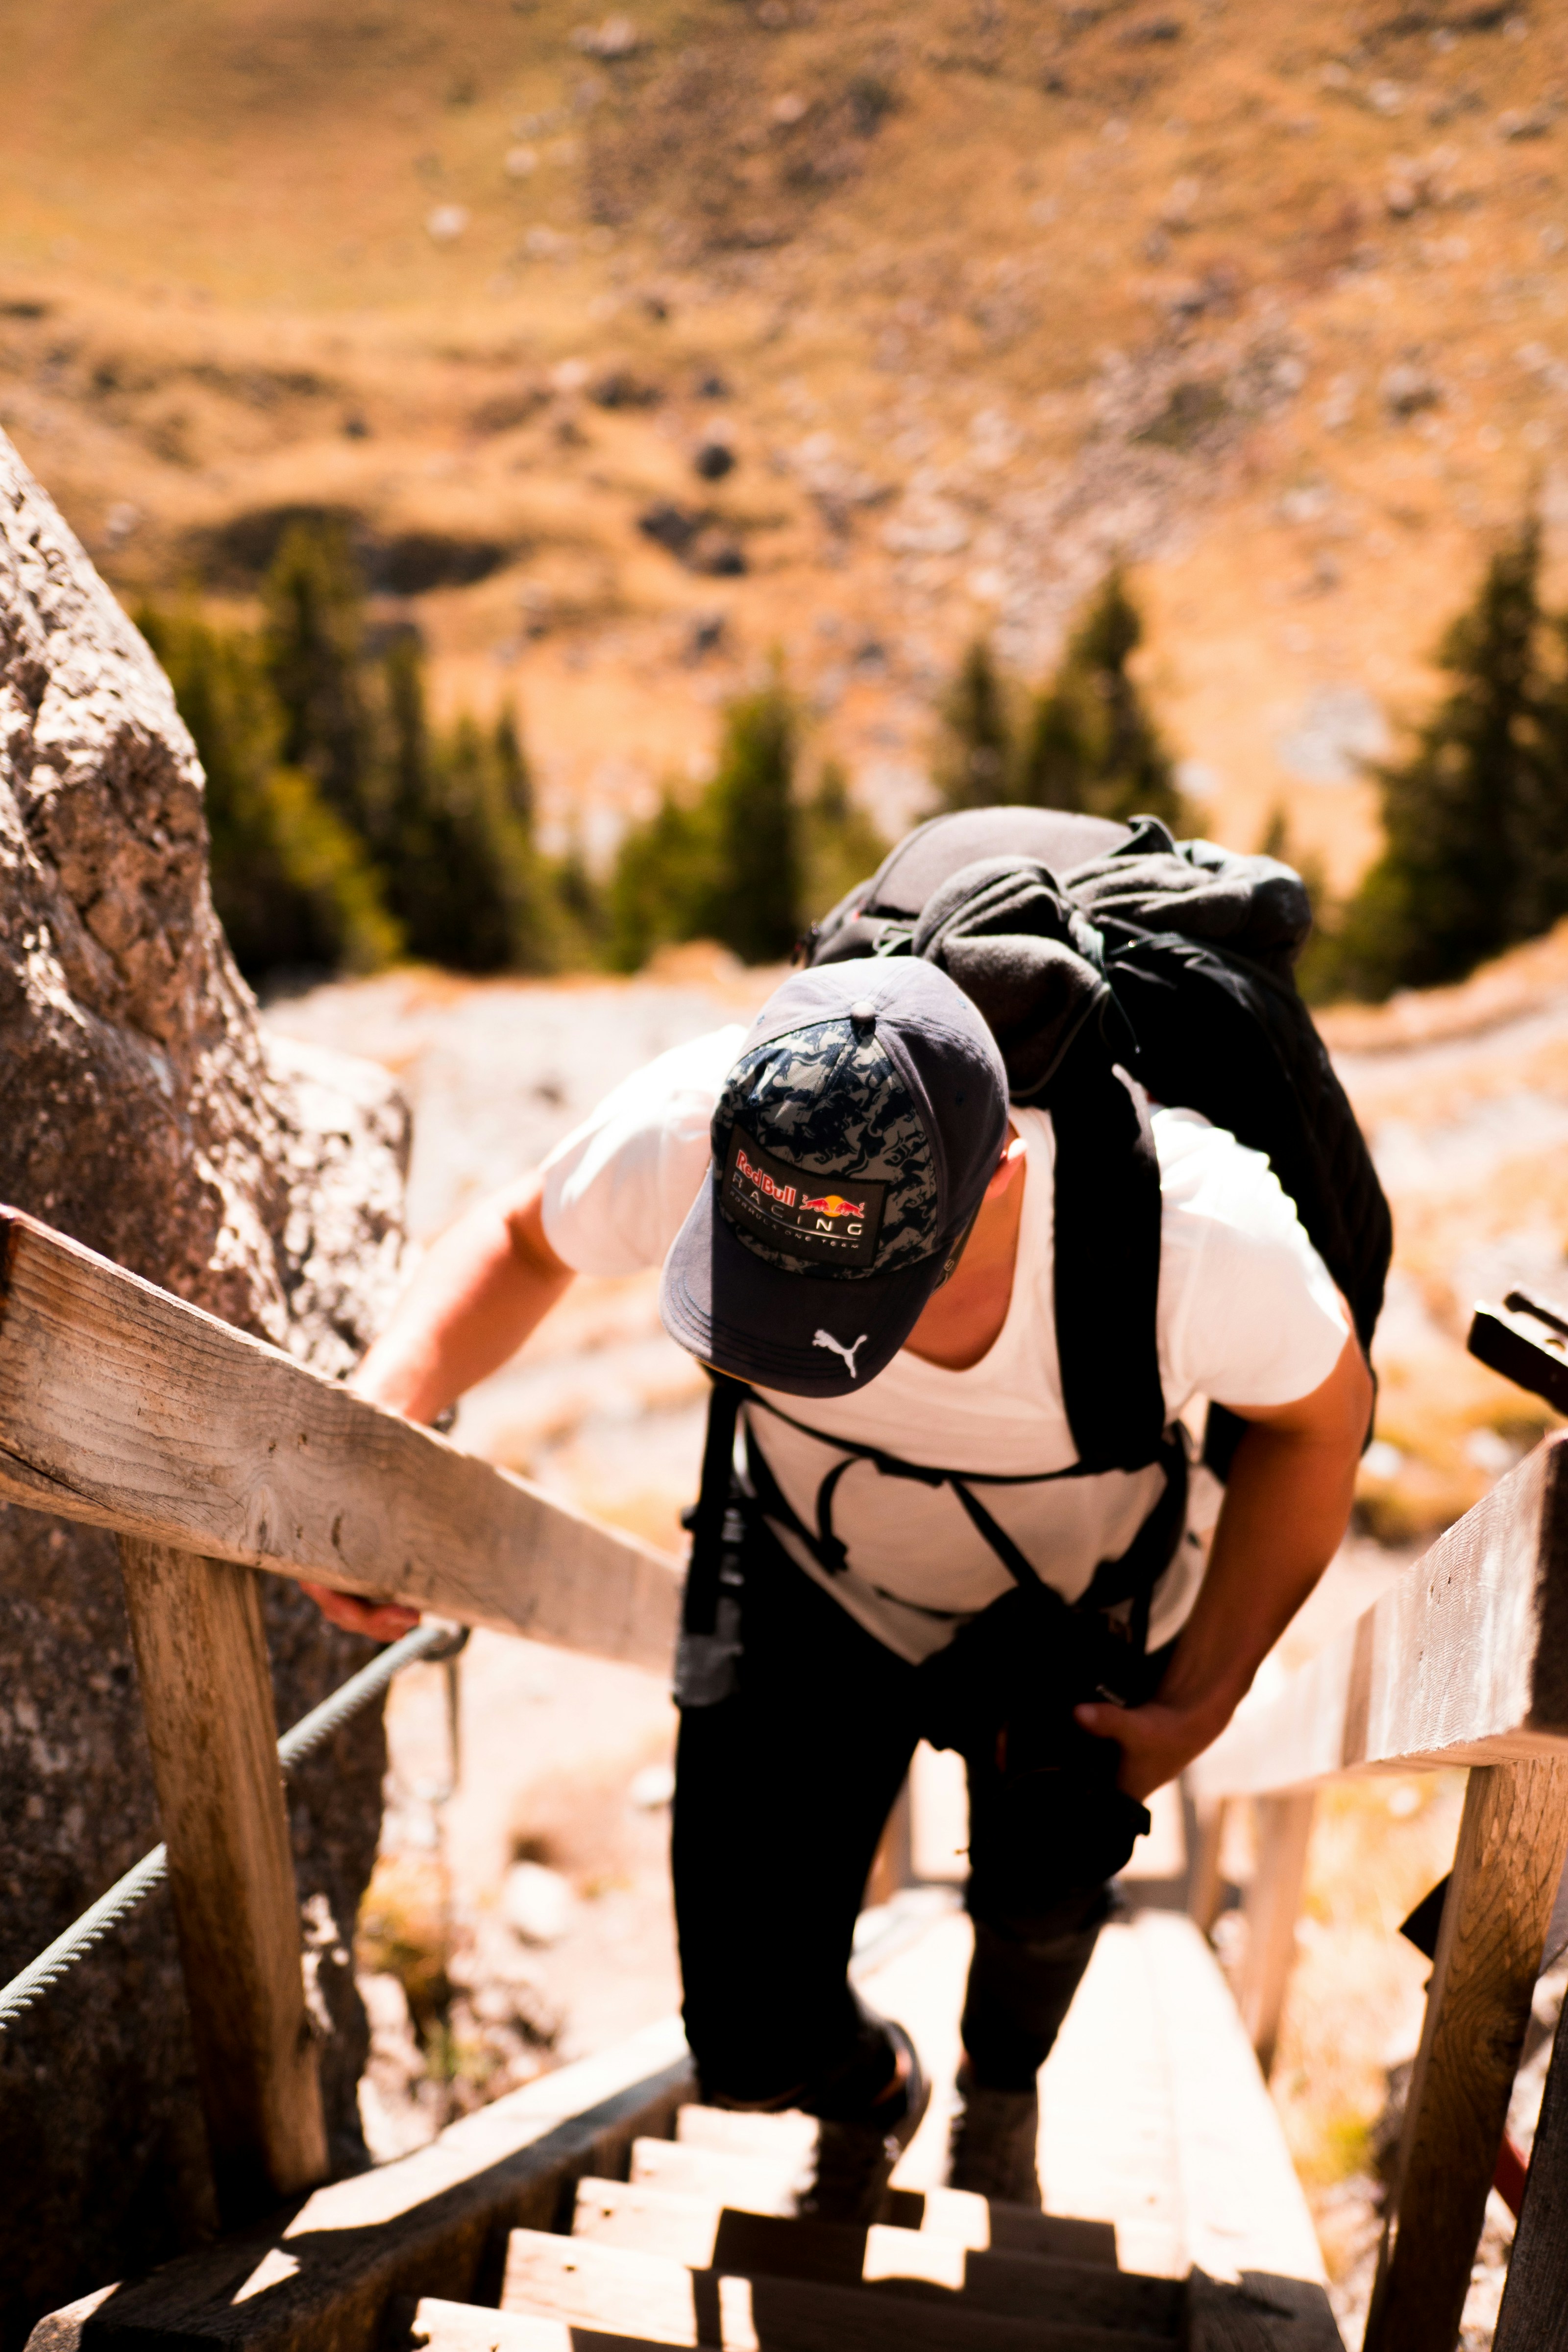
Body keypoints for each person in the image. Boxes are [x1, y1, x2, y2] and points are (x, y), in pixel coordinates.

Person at [307, 955, 1372, 2217]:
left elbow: (1321, 1422)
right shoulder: (706, 1122)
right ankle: (876, 2087)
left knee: (1046, 1883)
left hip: (1070, 1610)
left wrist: (1203, 1695)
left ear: (1006, 1174)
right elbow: (523, 1232)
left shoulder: (1187, 1237)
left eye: (856, 1292)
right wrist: (377, 1431)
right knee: (748, 2044)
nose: (812, 1330)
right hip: (811, 1575)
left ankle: (1003, 2091)